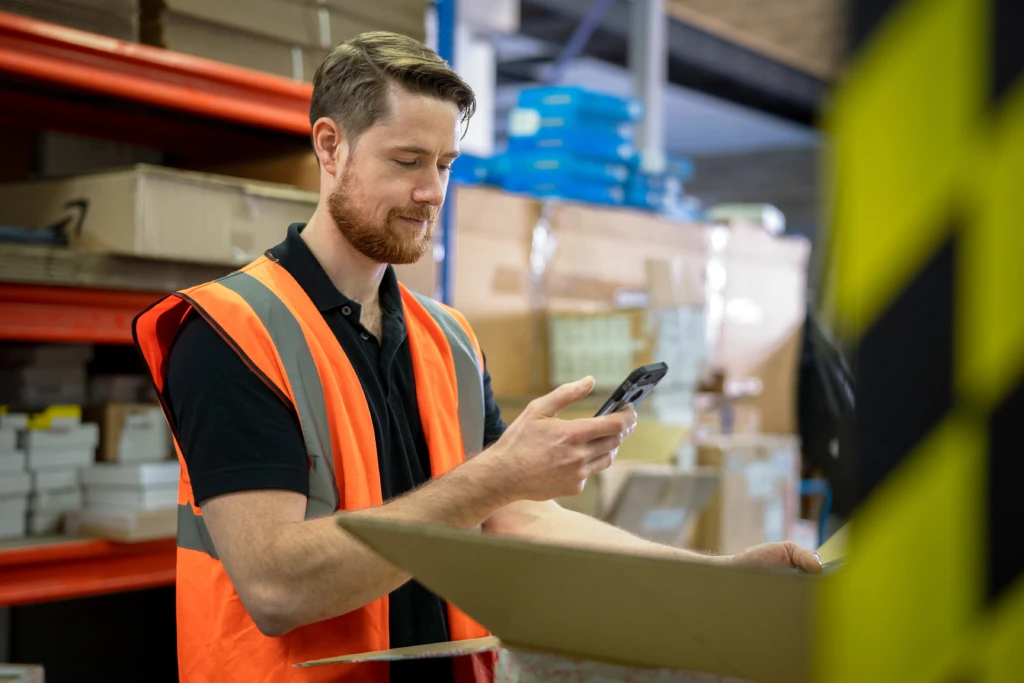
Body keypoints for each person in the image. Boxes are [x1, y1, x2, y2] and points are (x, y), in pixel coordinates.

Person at [133, 31, 821, 683]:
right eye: (406, 161)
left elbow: (518, 518)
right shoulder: (229, 332)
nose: (432, 192)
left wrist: (718, 578)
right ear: (330, 146)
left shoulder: (449, 340)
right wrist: (496, 476)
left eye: (444, 165)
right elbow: (276, 585)